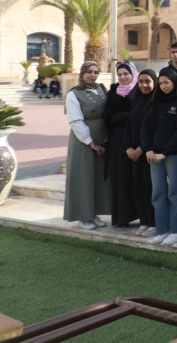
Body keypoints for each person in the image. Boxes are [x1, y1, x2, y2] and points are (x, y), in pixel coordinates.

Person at [141, 67, 177, 245]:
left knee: (175, 192)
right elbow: (145, 128)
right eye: (161, 83)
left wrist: (166, 152)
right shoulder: (156, 101)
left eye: (166, 82)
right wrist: (148, 149)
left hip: (173, 154)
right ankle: (163, 229)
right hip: (154, 155)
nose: (163, 86)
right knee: (158, 192)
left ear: (174, 82)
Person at [63, 61, 111, 230]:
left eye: (96, 72)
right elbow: (75, 121)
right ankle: (84, 217)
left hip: (103, 138)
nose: (93, 75)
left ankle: (94, 213)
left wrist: (107, 137)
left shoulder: (102, 89)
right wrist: (91, 143)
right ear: (82, 73)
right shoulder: (73, 94)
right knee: (83, 177)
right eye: (89, 71)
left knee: (97, 178)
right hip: (83, 141)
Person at [104, 61, 139, 227]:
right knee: (120, 178)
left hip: (136, 139)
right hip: (117, 141)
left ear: (133, 74)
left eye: (126, 74)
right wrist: (128, 115)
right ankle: (122, 217)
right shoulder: (112, 93)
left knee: (137, 178)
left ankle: (143, 216)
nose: (123, 77)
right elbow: (108, 117)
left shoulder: (140, 89)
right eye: (120, 74)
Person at [123, 68, 158, 237]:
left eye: (148, 82)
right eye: (141, 82)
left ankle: (154, 222)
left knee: (150, 188)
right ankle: (144, 221)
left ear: (154, 83)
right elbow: (128, 126)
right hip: (134, 155)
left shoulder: (156, 102)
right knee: (138, 187)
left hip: (149, 153)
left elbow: (154, 129)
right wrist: (128, 147)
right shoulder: (136, 101)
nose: (144, 85)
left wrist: (140, 149)